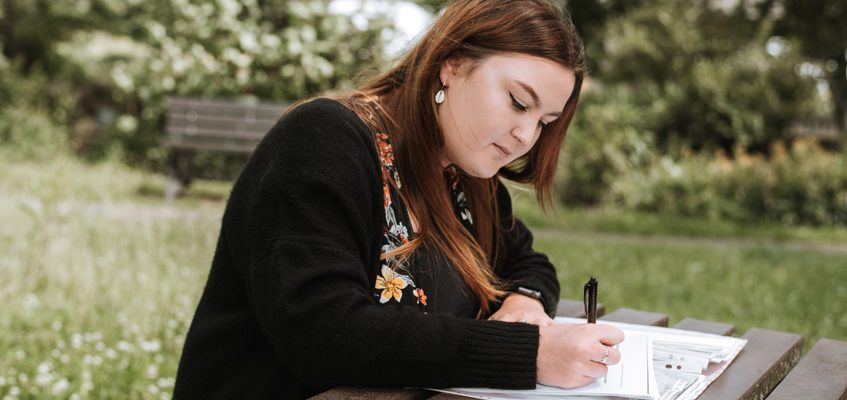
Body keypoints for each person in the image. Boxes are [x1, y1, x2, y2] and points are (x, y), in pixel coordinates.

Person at [173, 0, 624, 398]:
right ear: (453, 64)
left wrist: (525, 302)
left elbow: (527, 261)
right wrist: (529, 354)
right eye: (518, 102)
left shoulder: (466, 178)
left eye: (545, 121)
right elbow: (324, 332)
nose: (526, 135)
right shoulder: (324, 141)